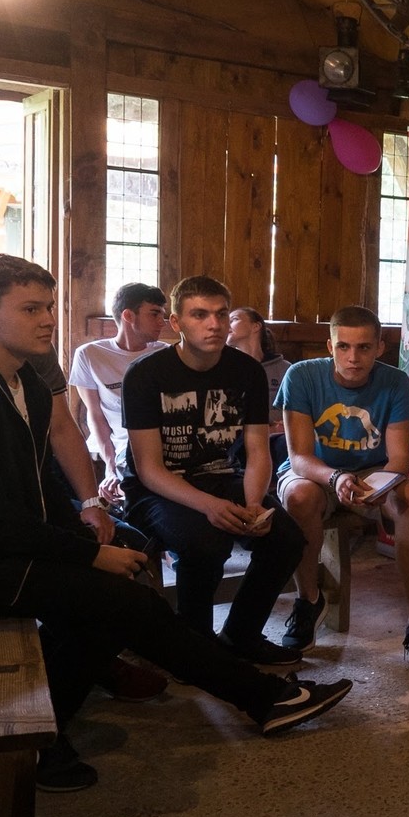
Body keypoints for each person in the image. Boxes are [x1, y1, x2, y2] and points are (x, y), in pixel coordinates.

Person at [0, 256, 352, 791]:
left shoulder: (25, 383)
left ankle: (43, 736)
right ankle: (265, 697)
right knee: (125, 600)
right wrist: (89, 553)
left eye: (49, 307)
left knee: (117, 598)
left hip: (2, 550)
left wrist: (86, 523)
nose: (48, 320)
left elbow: (40, 485)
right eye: (31, 309)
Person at [0, 244, 165, 704]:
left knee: (130, 545)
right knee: (96, 584)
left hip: (22, 498)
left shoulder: (25, 348)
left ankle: (92, 656)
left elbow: (58, 430)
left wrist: (91, 504)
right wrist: (83, 553)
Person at [121, 275, 306, 665]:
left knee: (286, 538)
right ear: (176, 323)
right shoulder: (146, 374)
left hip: (222, 475)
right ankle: (196, 648)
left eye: (222, 314)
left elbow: (257, 450)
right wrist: (209, 506)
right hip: (156, 490)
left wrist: (254, 503)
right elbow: (149, 469)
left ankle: (240, 635)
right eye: (200, 315)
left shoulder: (247, 371)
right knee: (206, 543)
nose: (214, 324)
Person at [274, 305, 409, 666]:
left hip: (371, 472)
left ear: (379, 347)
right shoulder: (301, 376)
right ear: (330, 346)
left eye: (364, 347)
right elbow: (299, 457)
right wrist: (335, 478)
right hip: (316, 472)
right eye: (344, 347)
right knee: (299, 496)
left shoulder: (394, 381)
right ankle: (308, 600)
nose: (353, 357)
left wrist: (377, 488)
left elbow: (400, 459)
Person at [68, 282, 168, 503]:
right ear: (128, 316)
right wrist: (111, 466)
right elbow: (95, 415)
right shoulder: (89, 355)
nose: (162, 321)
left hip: (164, 445)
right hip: (124, 448)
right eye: (154, 314)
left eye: (163, 314)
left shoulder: (165, 354)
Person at [226, 306, 292, 430]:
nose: (226, 325)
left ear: (256, 326)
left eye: (234, 319)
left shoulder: (285, 369)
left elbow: (293, 409)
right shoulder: (225, 368)